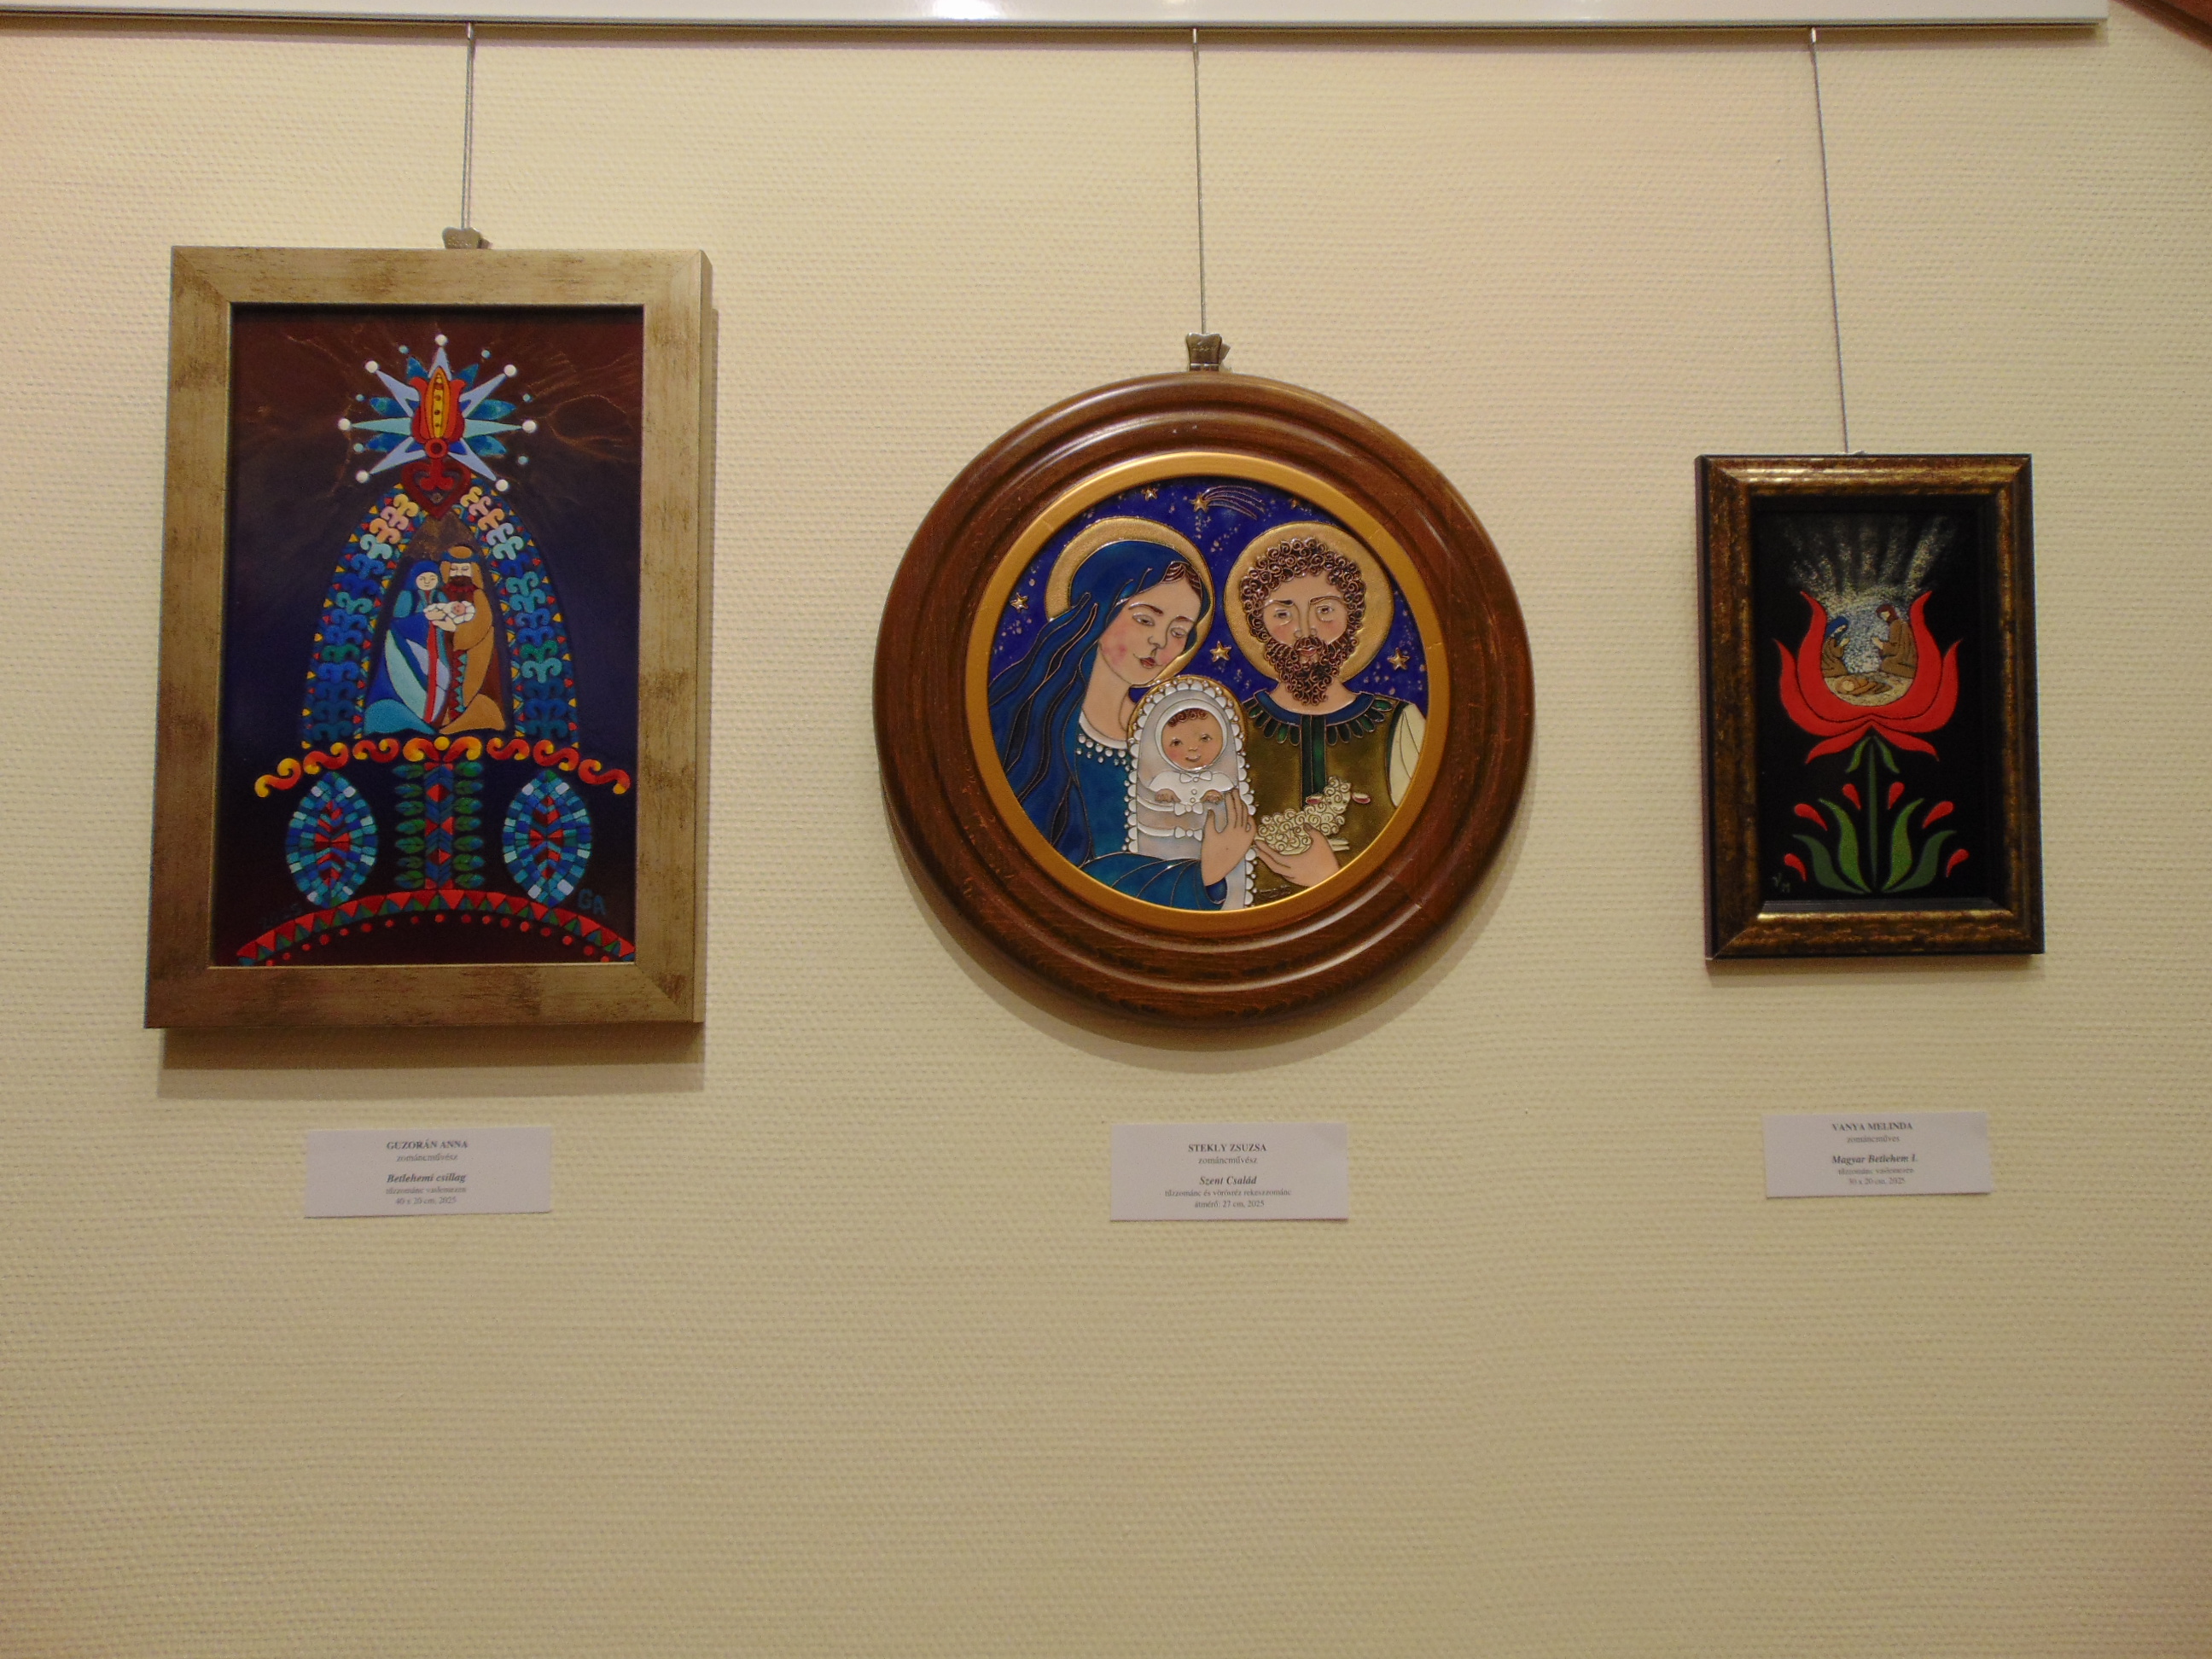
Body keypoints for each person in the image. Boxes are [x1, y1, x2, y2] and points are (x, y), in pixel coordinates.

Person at [988, 538, 1254, 910]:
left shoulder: (1167, 733)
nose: (1160, 641)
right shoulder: (1032, 720)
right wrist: (1201, 876)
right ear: (1100, 609)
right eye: (1145, 619)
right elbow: (1042, 872)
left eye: (1179, 631)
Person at [1233, 532, 1424, 899]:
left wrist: (1328, 877)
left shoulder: (1398, 725)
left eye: (1325, 610)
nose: (1306, 631)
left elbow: (1422, 850)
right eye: (1283, 613)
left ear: (1352, 618)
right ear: (1259, 626)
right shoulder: (1234, 725)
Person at [1126, 677, 1254, 910]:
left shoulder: (1222, 781)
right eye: (1177, 743)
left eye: (1205, 738)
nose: (1193, 748)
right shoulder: (1164, 780)